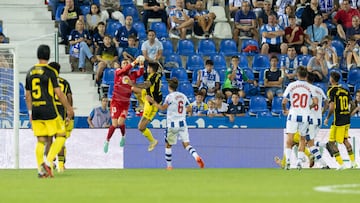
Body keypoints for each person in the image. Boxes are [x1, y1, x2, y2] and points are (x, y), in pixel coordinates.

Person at [25, 45, 74, 178]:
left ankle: (40, 169)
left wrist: (30, 113)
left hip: (35, 111)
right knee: (61, 135)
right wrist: (69, 108)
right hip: (49, 110)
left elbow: (27, 96)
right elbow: (59, 93)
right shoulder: (50, 72)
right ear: (48, 55)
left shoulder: (29, 72)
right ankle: (48, 162)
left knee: (41, 140)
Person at [145, 77, 205, 169]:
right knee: (186, 144)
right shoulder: (182, 96)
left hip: (172, 124)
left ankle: (169, 166)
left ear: (169, 87)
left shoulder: (169, 97)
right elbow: (190, 108)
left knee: (168, 145)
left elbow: (162, 108)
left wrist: (152, 101)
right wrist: (181, 112)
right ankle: (196, 156)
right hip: (182, 123)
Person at [103, 57, 145, 153]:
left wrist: (141, 64)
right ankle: (107, 141)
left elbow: (141, 73)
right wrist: (135, 62)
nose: (126, 64)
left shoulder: (133, 74)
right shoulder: (118, 72)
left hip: (125, 103)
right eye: (124, 63)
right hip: (115, 102)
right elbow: (125, 69)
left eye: (127, 63)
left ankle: (123, 136)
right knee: (114, 124)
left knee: (121, 123)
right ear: (121, 65)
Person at [282, 66, 317, 170]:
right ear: (306, 75)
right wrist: (307, 107)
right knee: (302, 139)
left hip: (293, 114)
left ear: (297, 75)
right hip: (305, 116)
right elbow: (315, 103)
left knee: (290, 139)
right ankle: (299, 162)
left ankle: (288, 161)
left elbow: (284, 101)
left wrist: (285, 110)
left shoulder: (292, 85)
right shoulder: (310, 87)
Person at [324, 71, 358, 169]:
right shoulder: (345, 90)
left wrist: (327, 118)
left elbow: (331, 107)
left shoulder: (331, 90)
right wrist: (348, 114)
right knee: (345, 140)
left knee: (331, 142)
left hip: (338, 121)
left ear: (332, 79)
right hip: (346, 119)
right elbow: (353, 104)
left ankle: (341, 164)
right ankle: (353, 162)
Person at [129, 62, 162, 151]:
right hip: (149, 99)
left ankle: (153, 141)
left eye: (148, 67)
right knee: (134, 89)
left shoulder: (153, 76)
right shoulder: (156, 75)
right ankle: (141, 104)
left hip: (151, 102)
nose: (147, 69)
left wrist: (133, 83)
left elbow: (146, 85)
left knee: (140, 127)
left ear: (151, 69)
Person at [48, 62, 74, 172]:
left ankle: (50, 163)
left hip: (49, 112)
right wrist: (69, 111)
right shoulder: (64, 82)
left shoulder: (46, 82)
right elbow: (69, 97)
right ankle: (61, 165)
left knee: (48, 139)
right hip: (61, 112)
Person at [305, 71, 329, 168]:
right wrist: (322, 112)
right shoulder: (319, 89)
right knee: (309, 142)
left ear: (306, 78)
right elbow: (327, 102)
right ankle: (324, 145)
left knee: (309, 143)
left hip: (310, 120)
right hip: (318, 119)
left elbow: (311, 104)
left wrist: (307, 109)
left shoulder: (306, 90)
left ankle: (323, 164)